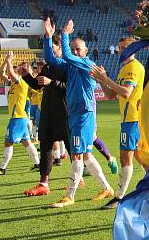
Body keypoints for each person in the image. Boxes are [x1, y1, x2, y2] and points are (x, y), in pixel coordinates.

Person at [42, 18, 114, 208]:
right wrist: (48, 37)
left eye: (78, 49)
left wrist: (65, 34)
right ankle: (107, 188)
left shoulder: (86, 64)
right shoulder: (71, 66)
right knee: (87, 156)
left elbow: (65, 54)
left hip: (83, 115)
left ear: (86, 52)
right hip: (75, 115)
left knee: (76, 156)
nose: (74, 52)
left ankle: (70, 195)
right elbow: (51, 59)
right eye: (73, 49)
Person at [91, 36, 145, 210]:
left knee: (125, 157)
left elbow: (127, 92)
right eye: (120, 48)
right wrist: (102, 80)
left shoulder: (133, 68)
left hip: (133, 119)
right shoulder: (125, 69)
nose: (121, 51)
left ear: (134, 50)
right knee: (140, 157)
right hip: (129, 119)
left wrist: (105, 79)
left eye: (125, 48)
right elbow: (111, 95)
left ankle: (119, 197)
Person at [21, 40, 70, 196]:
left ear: (60, 49)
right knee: (45, 147)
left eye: (53, 50)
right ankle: (43, 184)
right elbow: (37, 85)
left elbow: (70, 88)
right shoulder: (47, 67)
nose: (51, 54)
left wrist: (52, 82)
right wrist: (26, 76)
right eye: (49, 51)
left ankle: (78, 177)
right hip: (47, 114)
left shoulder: (67, 65)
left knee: (72, 148)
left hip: (64, 113)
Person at [0, 53, 40, 175]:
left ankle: (2, 168)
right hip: (20, 118)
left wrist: (9, 61)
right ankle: (37, 164)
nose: (16, 67)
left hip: (17, 118)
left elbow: (11, 73)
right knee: (27, 142)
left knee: (8, 142)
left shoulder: (21, 82)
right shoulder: (13, 83)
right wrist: (6, 61)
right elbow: (1, 74)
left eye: (19, 67)